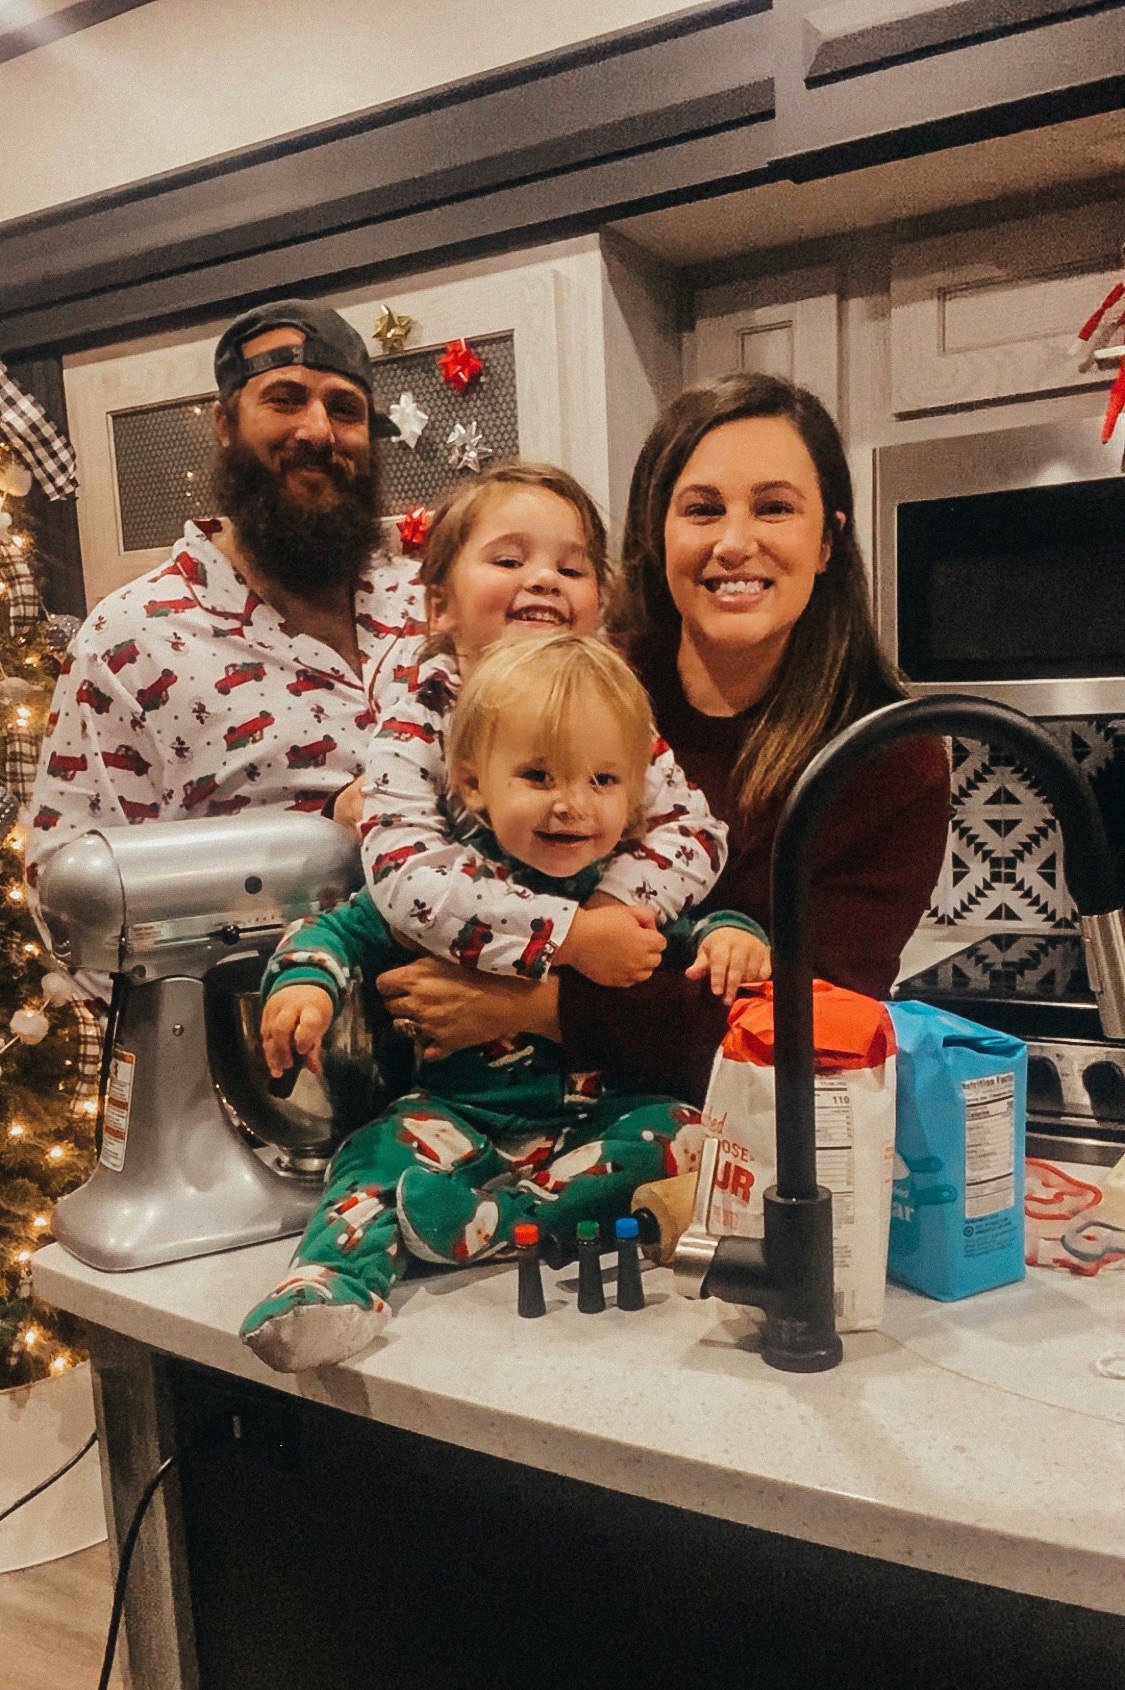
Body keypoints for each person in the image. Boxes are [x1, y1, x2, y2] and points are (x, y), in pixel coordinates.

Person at [374, 375, 951, 1103]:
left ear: (828, 541)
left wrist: (543, 1009)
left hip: (734, 1149)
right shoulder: (590, 683)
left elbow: (821, 1025)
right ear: (660, 531)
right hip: (488, 1104)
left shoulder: (888, 757)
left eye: (773, 509)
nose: (735, 544)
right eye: (702, 510)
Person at [240, 635, 767, 1372]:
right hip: (454, 1118)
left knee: (680, 1131)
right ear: (472, 783)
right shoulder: (451, 893)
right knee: (370, 1155)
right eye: (537, 775)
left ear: (636, 794)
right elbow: (335, 930)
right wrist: (303, 983)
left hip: (596, 1123)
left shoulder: (625, 890)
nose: (570, 805)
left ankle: (495, 1222)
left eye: (603, 781)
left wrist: (734, 938)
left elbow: (690, 934)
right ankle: (328, 1289)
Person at [25, 299, 421, 938]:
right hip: (251, 1026)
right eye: (286, 398)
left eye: (345, 408)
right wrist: (313, 846)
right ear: (225, 425)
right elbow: (71, 902)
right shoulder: (130, 641)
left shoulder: (436, 603)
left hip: (484, 1018)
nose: (319, 430)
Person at [355, 461, 759, 1015]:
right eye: (508, 560)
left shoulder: (619, 719)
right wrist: (569, 937)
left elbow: (695, 832)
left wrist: (612, 910)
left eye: (572, 569)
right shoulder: (415, 727)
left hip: (592, 1052)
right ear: (440, 606)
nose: (545, 579)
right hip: (454, 1065)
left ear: (597, 607)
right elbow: (407, 877)